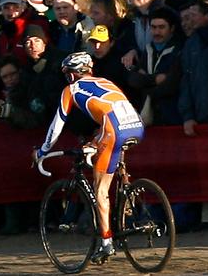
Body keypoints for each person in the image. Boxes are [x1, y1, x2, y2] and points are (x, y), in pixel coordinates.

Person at [34, 50, 145, 261]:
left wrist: (42, 151)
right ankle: (126, 194)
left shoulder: (71, 89)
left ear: (71, 75)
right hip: (137, 125)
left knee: (100, 189)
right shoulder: (105, 81)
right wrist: (95, 143)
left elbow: (56, 126)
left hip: (114, 129)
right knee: (99, 146)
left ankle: (106, 243)